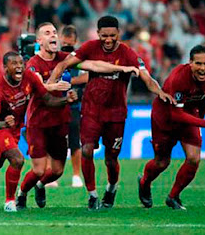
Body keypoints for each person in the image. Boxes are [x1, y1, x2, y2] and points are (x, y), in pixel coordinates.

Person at [49, 15, 175, 210]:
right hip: (91, 110)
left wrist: (159, 91)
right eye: (104, 35)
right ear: (98, 34)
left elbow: (146, 77)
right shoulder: (90, 48)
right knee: (87, 150)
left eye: (112, 36)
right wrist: (50, 85)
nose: (108, 40)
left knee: (111, 159)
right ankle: (92, 195)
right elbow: (63, 64)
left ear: (119, 34)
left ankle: (112, 187)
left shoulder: (128, 54)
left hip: (116, 114)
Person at [18, 22, 140, 209]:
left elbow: (93, 65)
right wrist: (52, 86)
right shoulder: (33, 64)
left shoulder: (65, 58)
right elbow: (34, 87)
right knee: (39, 169)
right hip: (38, 123)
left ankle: (40, 186)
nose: (53, 36)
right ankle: (22, 193)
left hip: (60, 122)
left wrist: (121, 69)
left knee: (57, 171)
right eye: (47, 33)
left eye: (54, 32)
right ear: (39, 41)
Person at [0, 52, 77, 212]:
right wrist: (3, 122)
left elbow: (47, 99)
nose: (19, 66)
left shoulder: (30, 77)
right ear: (5, 67)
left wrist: (65, 100)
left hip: (14, 128)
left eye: (21, 63)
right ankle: (10, 202)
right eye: (14, 64)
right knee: (18, 159)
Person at [139, 45, 205, 210]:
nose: (203, 68)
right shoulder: (179, 79)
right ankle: (144, 182)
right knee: (162, 163)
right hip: (165, 120)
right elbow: (176, 115)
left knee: (194, 158)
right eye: (198, 64)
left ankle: (173, 196)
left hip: (188, 116)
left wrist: (200, 117)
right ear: (190, 63)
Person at [58, 25, 84, 187]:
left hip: (74, 106)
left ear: (75, 41)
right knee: (54, 141)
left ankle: (76, 175)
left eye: (70, 43)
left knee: (75, 142)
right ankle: (53, 175)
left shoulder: (81, 58)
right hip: (55, 106)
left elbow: (88, 76)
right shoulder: (55, 57)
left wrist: (68, 83)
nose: (67, 46)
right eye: (65, 43)